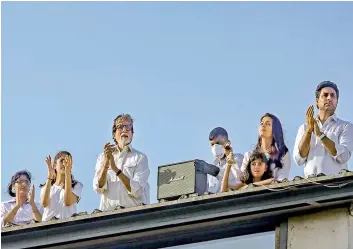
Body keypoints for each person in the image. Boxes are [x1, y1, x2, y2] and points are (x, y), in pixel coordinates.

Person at [293, 81, 353, 177]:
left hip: (336, 185)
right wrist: (309, 131)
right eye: (325, 95)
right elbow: (299, 159)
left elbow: (343, 157)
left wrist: (320, 135)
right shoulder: (304, 127)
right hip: (309, 186)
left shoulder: (345, 126)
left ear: (337, 101)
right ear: (317, 101)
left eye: (333, 96)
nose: (329, 98)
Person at [93, 114, 150, 211]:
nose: (124, 130)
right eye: (120, 126)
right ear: (114, 135)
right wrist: (106, 164)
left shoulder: (140, 158)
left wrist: (115, 169)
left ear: (132, 133)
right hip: (108, 217)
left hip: (134, 215)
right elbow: (98, 187)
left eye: (128, 127)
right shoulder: (102, 157)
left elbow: (136, 190)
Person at [241, 113, 290, 183]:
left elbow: (281, 178)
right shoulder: (249, 155)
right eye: (261, 123)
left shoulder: (283, 153)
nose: (263, 125)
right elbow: (243, 181)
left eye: (268, 124)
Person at [195, 127, 244, 194]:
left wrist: (212, 170)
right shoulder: (211, 167)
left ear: (228, 143)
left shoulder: (238, 158)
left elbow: (235, 176)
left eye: (218, 143)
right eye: (212, 144)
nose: (215, 147)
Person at [40, 151, 83, 221]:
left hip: (68, 226)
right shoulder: (47, 187)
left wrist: (67, 173)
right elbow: (44, 203)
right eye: (62, 161)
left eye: (67, 161)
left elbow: (67, 202)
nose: (65, 164)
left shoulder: (76, 185)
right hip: (47, 227)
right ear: (54, 165)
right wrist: (50, 175)